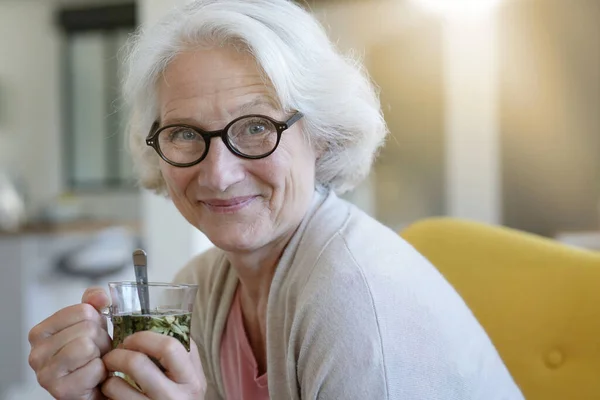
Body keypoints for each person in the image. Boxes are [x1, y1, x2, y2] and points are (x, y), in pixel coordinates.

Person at [27, 0, 525, 399]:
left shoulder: (351, 303)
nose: (219, 174)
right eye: (184, 133)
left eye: (257, 127)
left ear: (322, 136)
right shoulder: (203, 286)